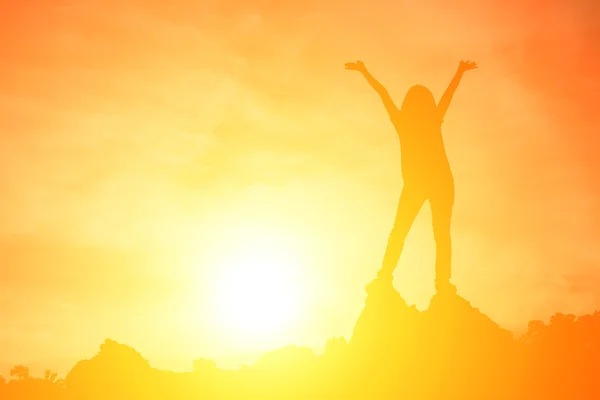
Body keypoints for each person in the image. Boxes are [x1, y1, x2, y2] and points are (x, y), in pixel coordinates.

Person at [345, 59, 477, 294]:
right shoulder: (429, 119)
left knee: (407, 231)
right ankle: (434, 282)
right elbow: (447, 95)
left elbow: (383, 93)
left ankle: (391, 277)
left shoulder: (405, 121)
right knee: (434, 233)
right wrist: (459, 72)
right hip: (434, 183)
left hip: (430, 184)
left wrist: (365, 71)